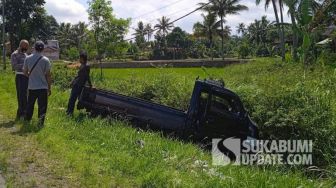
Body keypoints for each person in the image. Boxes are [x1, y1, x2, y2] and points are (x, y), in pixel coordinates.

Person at [23, 41, 52, 127]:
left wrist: (31, 76)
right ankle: (40, 123)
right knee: (42, 107)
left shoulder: (28, 58)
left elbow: (25, 72)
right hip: (43, 88)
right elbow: (48, 75)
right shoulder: (46, 60)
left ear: (34, 48)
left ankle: (27, 121)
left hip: (32, 87)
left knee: (30, 105)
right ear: (43, 49)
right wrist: (49, 88)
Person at [66, 51, 92, 116]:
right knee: (72, 99)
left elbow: (87, 76)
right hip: (77, 84)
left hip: (79, 85)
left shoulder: (86, 66)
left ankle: (69, 113)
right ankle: (69, 112)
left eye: (80, 58)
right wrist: (72, 81)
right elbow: (78, 75)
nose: (79, 59)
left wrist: (90, 85)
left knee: (73, 99)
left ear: (82, 58)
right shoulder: (82, 65)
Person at [11, 40, 29, 120]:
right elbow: (14, 66)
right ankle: (21, 114)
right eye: (24, 47)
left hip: (26, 77)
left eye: (26, 47)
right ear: (20, 46)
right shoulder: (14, 54)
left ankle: (22, 113)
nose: (26, 49)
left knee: (25, 96)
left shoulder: (25, 54)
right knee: (21, 96)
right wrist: (25, 65)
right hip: (20, 77)